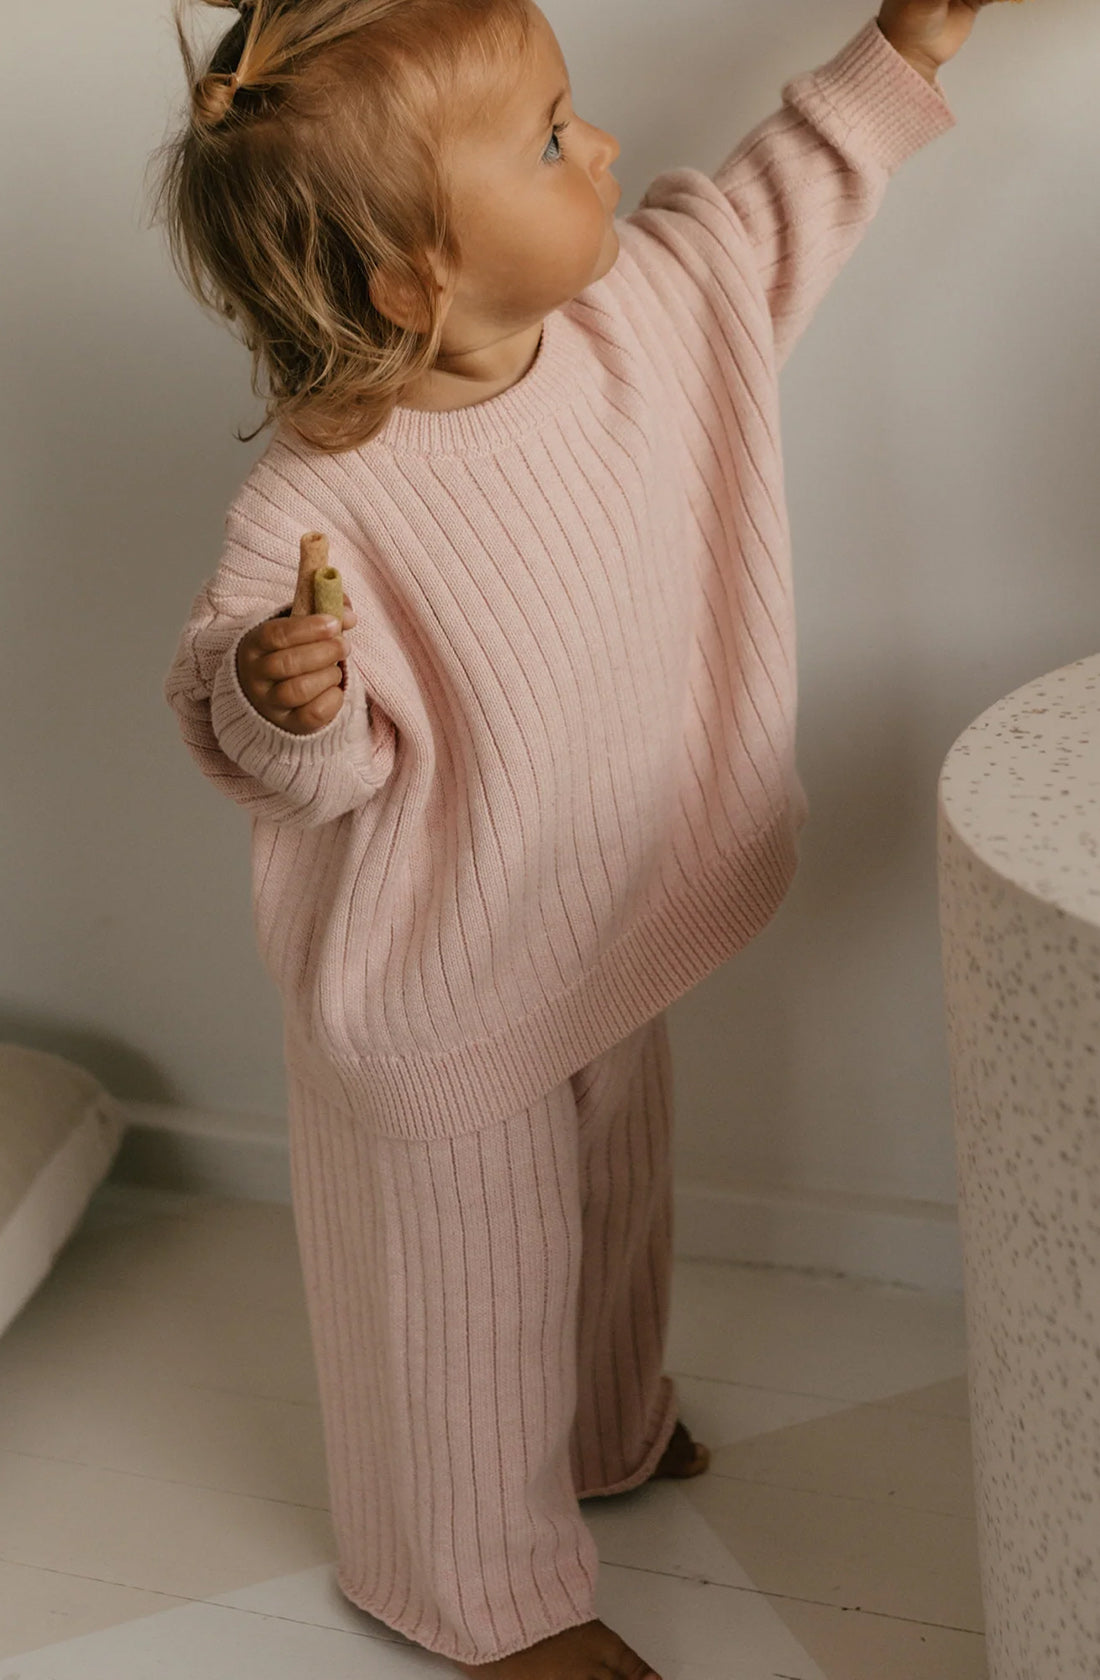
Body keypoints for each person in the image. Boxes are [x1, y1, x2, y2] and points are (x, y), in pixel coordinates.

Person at [155, 1, 997, 1673]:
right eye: (548, 138)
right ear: (413, 274)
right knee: (461, 1305)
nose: (600, 144)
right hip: (440, 984)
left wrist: (908, 44)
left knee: (612, 1221)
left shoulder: (645, 317)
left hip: (604, 917)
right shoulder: (323, 505)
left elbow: (776, 194)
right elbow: (287, 772)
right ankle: (473, 1594)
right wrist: (283, 694)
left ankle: (602, 1438)